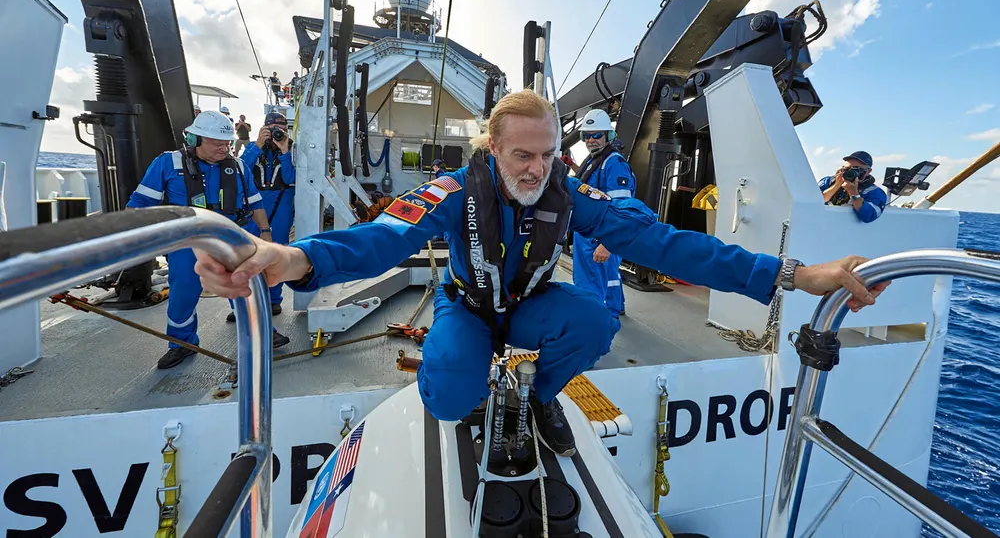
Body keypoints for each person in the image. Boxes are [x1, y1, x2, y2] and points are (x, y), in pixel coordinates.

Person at [193, 91, 888, 456]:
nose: (537, 168)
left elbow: (668, 245)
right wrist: (293, 260)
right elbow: (381, 237)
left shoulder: (570, 195)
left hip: (530, 306)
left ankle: (539, 397)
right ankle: (471, 394)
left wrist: (797, 275)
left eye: (549, 154)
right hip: (467, 307)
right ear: (492, 148)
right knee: (450, 394)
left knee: (593, 320)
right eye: (523, 155)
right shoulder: (452, 192)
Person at [126, 110, 291, 369]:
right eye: (217, 144)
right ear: (195, 140)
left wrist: (265, 232)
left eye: (227, 143)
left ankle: (262, 331)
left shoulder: (238, 166)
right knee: (183, 291)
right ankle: (181, 344)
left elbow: (255, 202)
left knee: (245, 285)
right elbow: (141, 202)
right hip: (188, 241)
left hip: (231, 237)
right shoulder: (168, 163)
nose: (224, 149)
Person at [571, 109, 635, 318]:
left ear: (608, 136)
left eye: (597, 135)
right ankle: (612, 309)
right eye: (587, 135)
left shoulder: (614, 164)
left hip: (601, 238)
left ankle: (597, 320)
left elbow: (622, 207)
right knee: (603, 279)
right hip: (588, 235)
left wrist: (608, 244)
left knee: (595, 282)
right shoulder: (594, 160)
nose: (591, 140)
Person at [232, 111, 295, 318]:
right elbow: (240, 171)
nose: (278, 132)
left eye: (282, 129)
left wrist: (284, 151)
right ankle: (245, 302)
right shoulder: (254, 147)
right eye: (273, 129)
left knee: (278, 250)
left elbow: (291, 178)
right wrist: (258, 144)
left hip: (281, 202)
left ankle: (273, 299)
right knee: (248, 251)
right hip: (254, 203)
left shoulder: (292, 150)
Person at [819, 151, 887, 224]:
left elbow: (868, 216)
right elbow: (815, 201)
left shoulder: (874, 192)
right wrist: (836, 186)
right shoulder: (828, 181)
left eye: (857, 170)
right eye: (847, 169)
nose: (851, 172)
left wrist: (854, 193)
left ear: (868, 171)